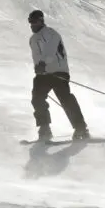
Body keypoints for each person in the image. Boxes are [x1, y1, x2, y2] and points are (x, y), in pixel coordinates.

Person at [28, 9, 89, 141]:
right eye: (30, 22)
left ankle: (81, 128)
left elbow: (51, 49)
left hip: (58, 72)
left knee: (65, 99)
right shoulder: (32, 39)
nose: (32, 25)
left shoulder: (51, 33)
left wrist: (43, 63)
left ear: (41, 21)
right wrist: (38, 67)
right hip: (43, 74)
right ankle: (44, 128)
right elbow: (36, 57)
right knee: (37, 98)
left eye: (34, 22)